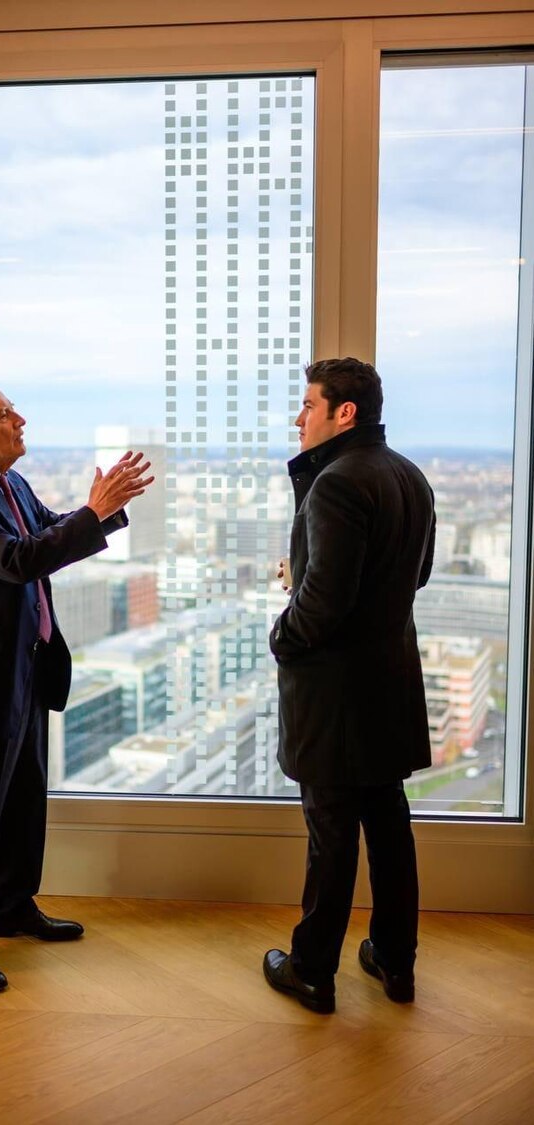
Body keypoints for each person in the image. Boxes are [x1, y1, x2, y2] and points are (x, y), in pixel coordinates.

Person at [0, 380, 154, 992]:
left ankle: (12, 908)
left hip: (29, 666)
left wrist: (102, 509)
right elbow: (18, 560)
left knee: (25, 799)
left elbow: (50, 533)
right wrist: (93, 512)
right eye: (6, 415)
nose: (21, 420)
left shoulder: (10, 483)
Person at [263, 357, 435, 1014]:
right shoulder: (408, 475)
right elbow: (413, 576)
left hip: (334, 694)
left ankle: (311, 971)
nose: (298, 417)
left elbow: (323, 607)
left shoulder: (335, 483)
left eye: (308, 404)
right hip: (390, 679)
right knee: (389, 823)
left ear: (345, 412)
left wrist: (283, 632)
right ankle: (396, 960)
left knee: (331, 830)